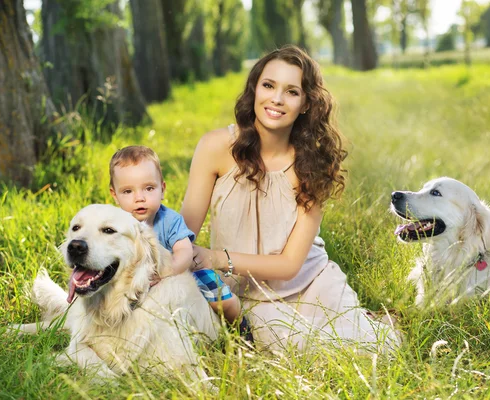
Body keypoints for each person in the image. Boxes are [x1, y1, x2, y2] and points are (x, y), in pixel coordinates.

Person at [181, 45, 400, 353]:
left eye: (292, 91)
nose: (277, 99)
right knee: (308, 348)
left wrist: (214, 258)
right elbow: (182, 235)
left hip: (312, 280)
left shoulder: (313, 162)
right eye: (268, 85)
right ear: (255, 88)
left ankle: (371, 324)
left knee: (380, 349)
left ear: (307, 103)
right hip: (248, 295)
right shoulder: (215, 147)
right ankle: (363, 321)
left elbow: (288, 265)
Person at [109, 146, 246, 330]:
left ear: (162, 189)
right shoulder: (116, 225)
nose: (139, 198)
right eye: (128, 191)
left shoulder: (169, 220)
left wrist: (168, 270)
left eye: (149, 188)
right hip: (136, 280)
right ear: (114, 195)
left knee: (223, 299)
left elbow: (184, 250)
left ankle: (241, 327)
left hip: (181, 273)